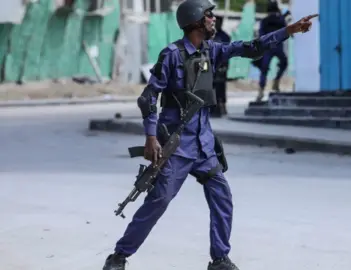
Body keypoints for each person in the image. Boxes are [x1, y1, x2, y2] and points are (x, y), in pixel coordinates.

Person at [101, 0, 317, 269]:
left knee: (222, 197)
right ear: (195, 21)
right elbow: (148, 98)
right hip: (176, 145)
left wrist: (288, 31)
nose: (214, 19)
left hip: (203, 145)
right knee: (159, 200)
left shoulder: (211, 51)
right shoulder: (172, 55)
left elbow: (251, 48)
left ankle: (219, 259)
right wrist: (151, 137)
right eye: (209, 15)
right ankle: (119, 256)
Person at [255, 0, 290, 102]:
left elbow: (261, 35)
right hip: (273, 48)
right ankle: (272, 84)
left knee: (264, 69)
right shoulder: (279, 20)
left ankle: (264, 89)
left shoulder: (267, 21)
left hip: (269, 48)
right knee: (280, 64)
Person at [211, 15, 231, 117]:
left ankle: (222, 105)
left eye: (219, 22)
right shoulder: (209, 35)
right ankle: (212, 106)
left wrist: (225, 65)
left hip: (221, 65)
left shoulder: (225, 36)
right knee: (210, 85)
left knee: (221, 86)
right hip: (210, 65)